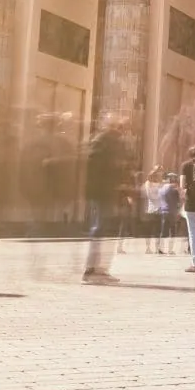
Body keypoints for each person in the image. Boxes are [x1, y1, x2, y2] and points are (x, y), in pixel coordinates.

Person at [82, 116, 130, 282]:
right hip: (104, 192)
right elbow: (105, 167)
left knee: (104, 228)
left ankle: (98, 269)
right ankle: (93, 270)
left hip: (104, 192)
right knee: (102, 228)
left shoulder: (104, 141)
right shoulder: (107, 141)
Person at [157, 173, 182, 254]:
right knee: (172, 231)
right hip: (172, 212)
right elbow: (178, 202)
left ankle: (160, 248)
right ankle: (170, 250)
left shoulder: (161, 189)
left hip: (163, 211)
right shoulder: (174, 190)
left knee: (163, 231)